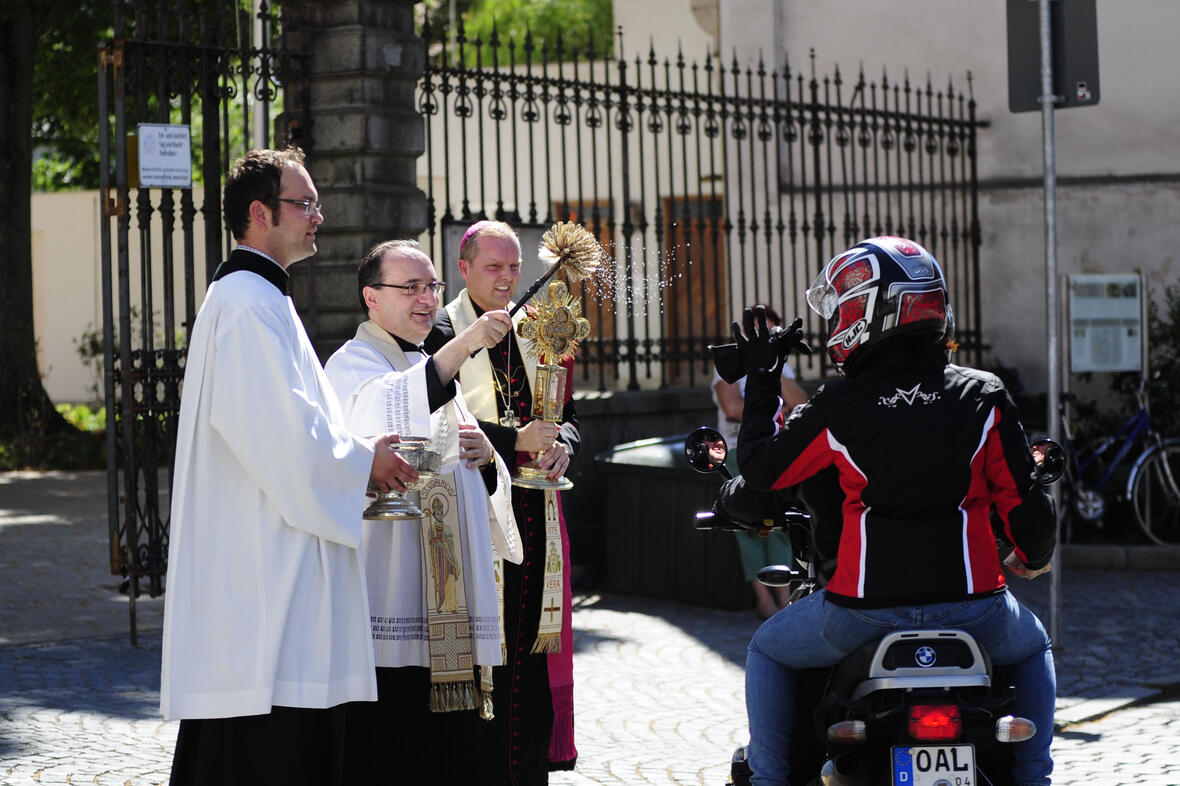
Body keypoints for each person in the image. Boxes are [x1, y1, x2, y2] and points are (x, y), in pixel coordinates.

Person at [732, 236, 1057, 786]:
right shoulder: (983, 395)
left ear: (865, 313)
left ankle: (768, 780)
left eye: (843, 306)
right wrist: (1030, 557)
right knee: (1034, 645)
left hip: (862, 609)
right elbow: (1025, 508)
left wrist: (764, 376)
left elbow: (763, 470)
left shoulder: (840, 403)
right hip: (974, 605)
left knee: (767, 649)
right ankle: (1035, 779)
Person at [160, 148, 420, 786]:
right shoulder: (248, 302)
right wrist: (364, 462)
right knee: (264, 752)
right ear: (259, 213)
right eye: (304, 204)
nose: (318, 217)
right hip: (262, 586)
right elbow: (278, 434)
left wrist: (356, 451)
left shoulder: (262, 297)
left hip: (275, 573)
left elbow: (300, 422)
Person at [324, 239, 524, 783]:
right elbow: (386, 408)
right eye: (409, 286)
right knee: (391, 746)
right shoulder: (351, 364)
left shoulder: (425, 364)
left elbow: (461, 449)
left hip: (446, 597)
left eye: (432, 286)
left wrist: (486, 459)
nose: (426, 299)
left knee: (448, 754)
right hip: (388, 592)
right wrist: (464, 345)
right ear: (371, 296)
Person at [428, 219, 579, 785]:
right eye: (494, 266)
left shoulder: (538, 329)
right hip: (477, 526)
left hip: (537, 522)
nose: (507, 277)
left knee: (531, 669)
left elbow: (567, 415)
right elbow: (442, 425)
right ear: (463, 269)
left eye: (514, 266)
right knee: (485, 664)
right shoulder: (445, 332)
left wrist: (564, 445)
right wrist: (516, 441)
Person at [712, 304, 810, 619]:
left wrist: (771, 366)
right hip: (739, 448)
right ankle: (763, 600)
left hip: (774, 449)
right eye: (759, 331)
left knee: (780, 522)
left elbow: (802, 404)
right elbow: (731, 406)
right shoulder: (730, 362)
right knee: (748, 528)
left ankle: (783, 598)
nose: (765, 337)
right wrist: (764, 387)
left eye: (771, 331)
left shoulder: (783, 367)